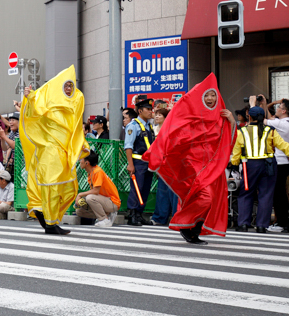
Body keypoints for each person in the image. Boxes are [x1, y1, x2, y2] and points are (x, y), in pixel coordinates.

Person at [144, 76, 235, 244]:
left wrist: (232, 121)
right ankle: (184, 223)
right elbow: (175, 134)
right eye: (206, 95)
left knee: (211, 200)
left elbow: (228, 143)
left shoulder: (222, 117)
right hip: (194, 166)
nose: (209, 99)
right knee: (205, 197)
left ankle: (194, 229)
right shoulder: (191, 117)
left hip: (214, 167)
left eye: (213, 95)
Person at [19, 66, 88, 235]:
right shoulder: (47, 104)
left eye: (71, 85)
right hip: (50, 151)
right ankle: (50, 223)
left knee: (69, 189)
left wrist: (82, 143)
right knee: (52, 187)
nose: (69, 89)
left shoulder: (74, 104)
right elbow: (34, 112)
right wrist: (32, 97)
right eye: (66, 85)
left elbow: (76, 128)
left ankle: (49, 218)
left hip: (64, 152)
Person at [230, 104, 289, 233]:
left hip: (249, 165)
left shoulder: (243, 131)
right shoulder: (270, 130)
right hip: (268, 165)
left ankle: (243, 224)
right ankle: (262, 225)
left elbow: (237, 151)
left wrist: (234, 164)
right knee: (266, 195)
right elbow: (284, 146)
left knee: (246, 194)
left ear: (249, 116)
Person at [124, 98, 156, 226]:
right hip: (138, 162)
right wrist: (130, 164)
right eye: (148, 109)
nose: (150, 112)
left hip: (148, 163)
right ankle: (131, 215)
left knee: (145, 189)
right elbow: (128, 146)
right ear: (140, 110)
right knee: (136, 188)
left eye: (151, 109)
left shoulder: (149, 126)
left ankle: (139, 214)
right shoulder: (133, 125)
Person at [262, 96, 289, 232]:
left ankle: (282, 222)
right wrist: (270, 104)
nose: (277, 109)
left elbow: (263, 118)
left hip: (281, 162)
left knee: (278, 193)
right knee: (283, 193)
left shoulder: (281, 124)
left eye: (279, 107)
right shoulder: (284, 123)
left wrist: (266, 104)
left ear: (284, 111)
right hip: (286, 161)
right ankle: (283, 221)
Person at [74, 151, 120, 227]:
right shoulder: (91, 172)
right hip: (105, 200)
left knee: (90, 198)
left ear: (87, 163)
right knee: (80, 211)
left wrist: (80, 194)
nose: (79, 161)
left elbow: (95, 191)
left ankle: (104, 219)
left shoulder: (97, 172)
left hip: (113, 202)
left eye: (81, 159)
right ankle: (106, 215)